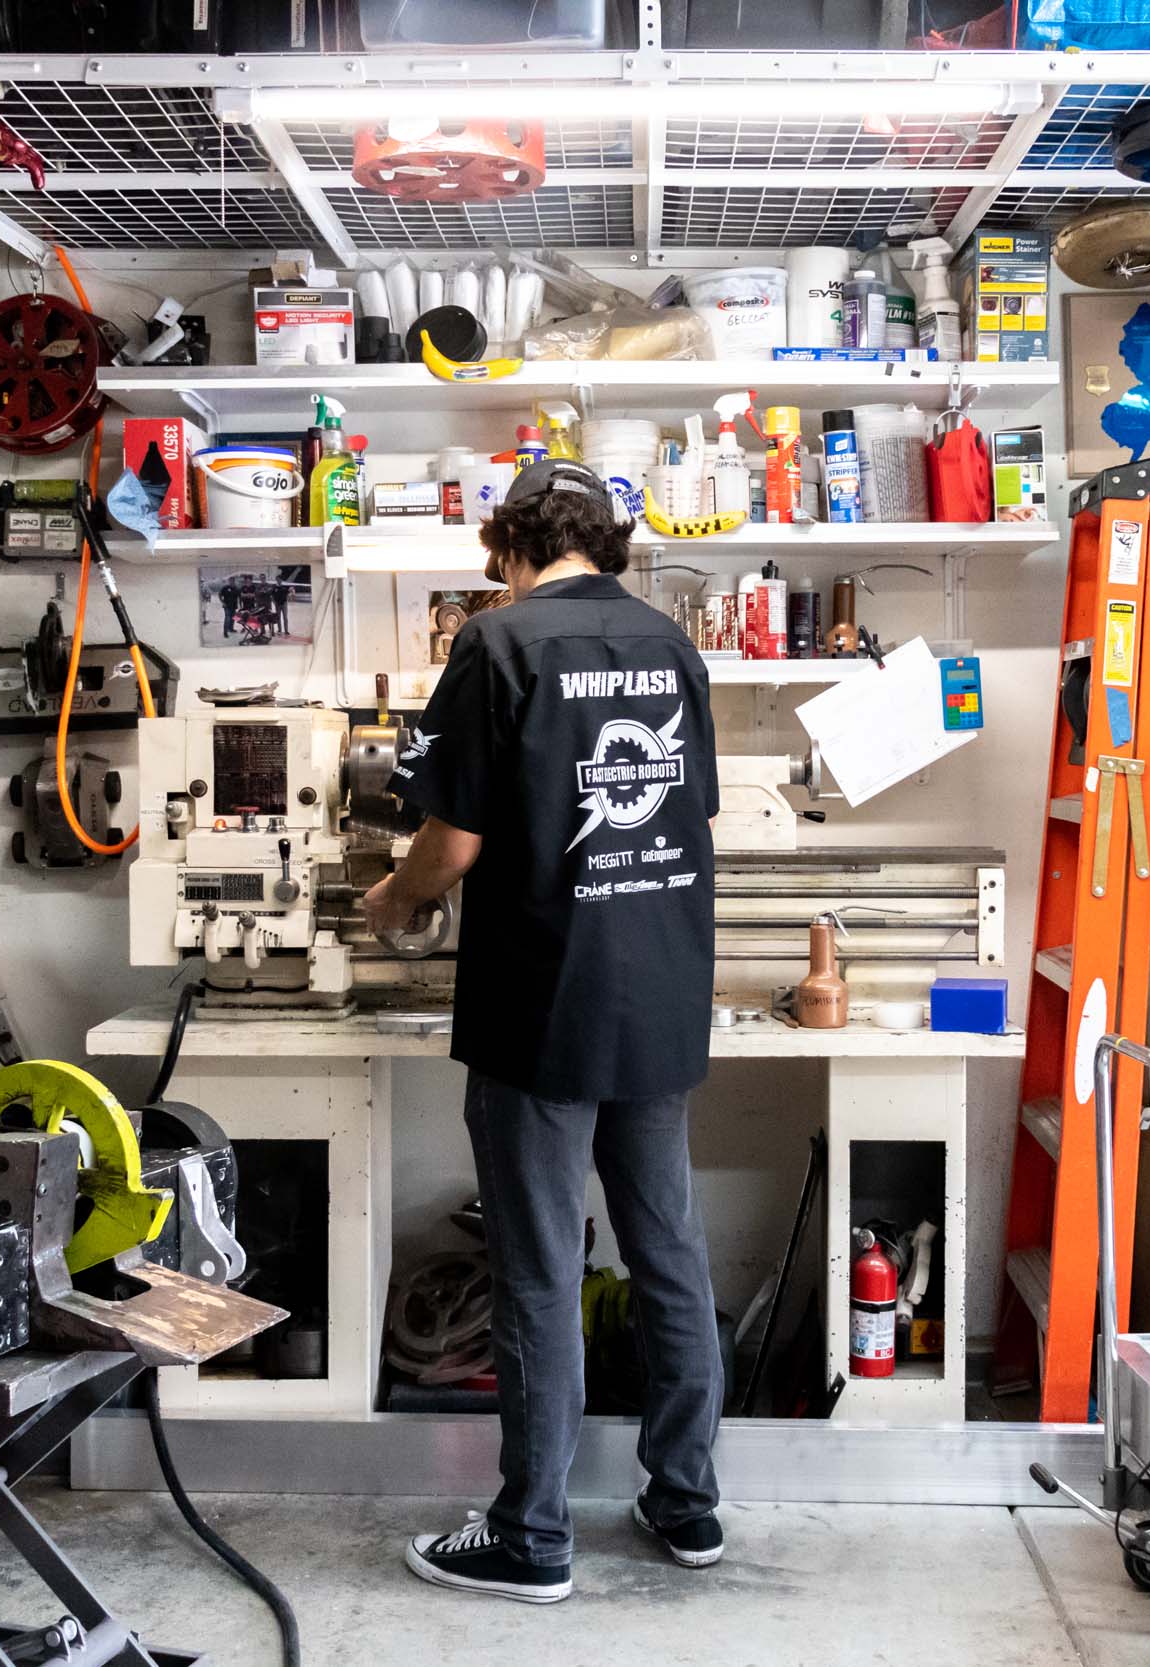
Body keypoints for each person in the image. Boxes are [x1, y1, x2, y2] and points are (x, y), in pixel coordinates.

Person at [364, 459, 725, 1605]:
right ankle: (686, 1502)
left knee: (536, 1270)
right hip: (660, 993)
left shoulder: (499, 642)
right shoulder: (670, 644)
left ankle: (531, 1534)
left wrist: (393, 899)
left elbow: (451, 840)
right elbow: (682, 806)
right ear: (604, 541)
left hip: (542, 1002)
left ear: (510, 542)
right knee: (667, 1249)